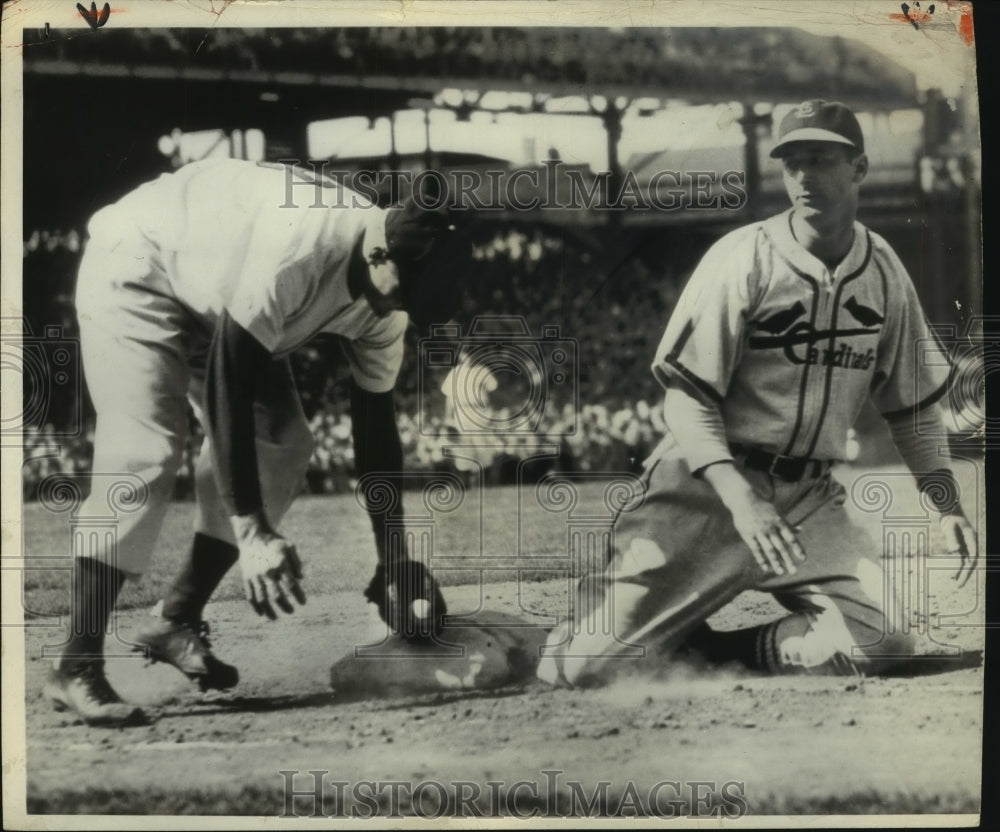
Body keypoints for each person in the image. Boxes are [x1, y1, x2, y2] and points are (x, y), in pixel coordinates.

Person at [536, 101, 979, 687]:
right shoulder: (741, 259)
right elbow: (685, 398)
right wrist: (744, 502)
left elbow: (914, 407)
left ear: (860, 169)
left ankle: (715, 654)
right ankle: (543, 635)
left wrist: (944, 502)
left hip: (808, 499)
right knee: (581, 671)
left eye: (820, 159)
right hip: (705, 493)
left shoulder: (884, 270)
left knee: (885, 639)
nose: (802, 176)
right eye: (792, 162)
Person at [45, 159, 465, 725]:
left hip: (215, 295)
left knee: (286, 443)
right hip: (140, 261)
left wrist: (393, 559)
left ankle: (176, 619)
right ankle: (76, 663)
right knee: (146, 454)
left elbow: (375, 428)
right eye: (407, 291)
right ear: (377, 253)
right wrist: (251, 529)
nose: (404, 307)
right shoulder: (301, 245)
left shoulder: (388, 298)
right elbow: (229, 375)